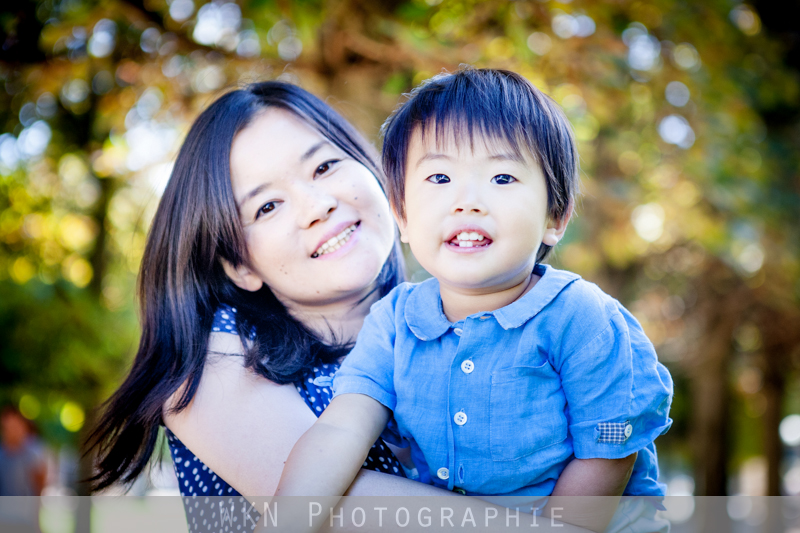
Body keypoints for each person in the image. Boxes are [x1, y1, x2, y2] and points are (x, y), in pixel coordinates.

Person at [86, 81, 588, 533]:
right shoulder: (211, 361)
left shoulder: (480, 324)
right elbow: (337, 514)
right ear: (240, 265)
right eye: (266, 207)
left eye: (324, 166)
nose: (315, 205)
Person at [274, 68, 674, 533]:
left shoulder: (581, 318)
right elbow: (341, 429)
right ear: (402, 216)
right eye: (439, 177)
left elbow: (608, 447)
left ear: (555, 217)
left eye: (502, 177)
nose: (467, 201)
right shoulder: (393, 323)